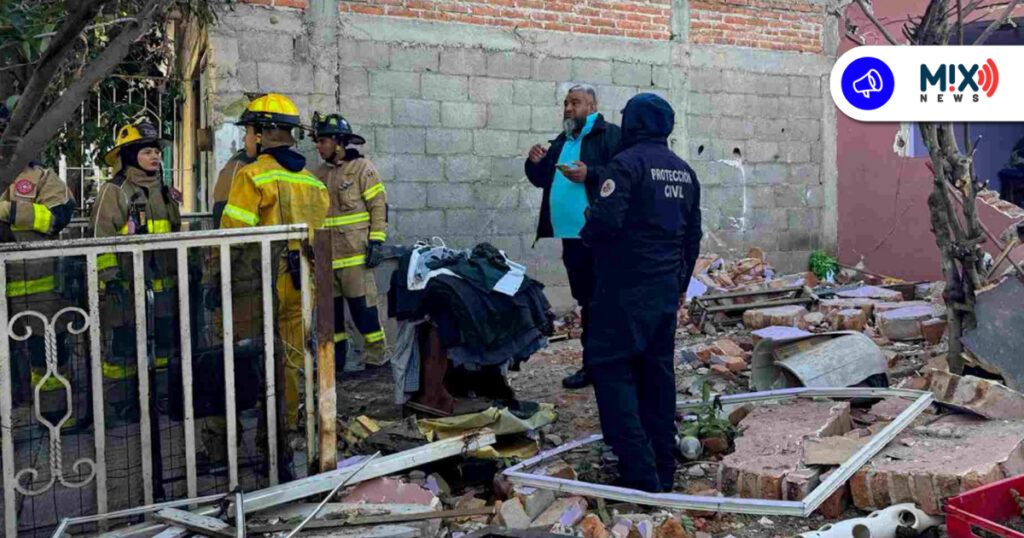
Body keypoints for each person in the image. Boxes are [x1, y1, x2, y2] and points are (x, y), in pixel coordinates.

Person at [580, 93, 702, 493]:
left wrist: (588, 227)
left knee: (610, 368)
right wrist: (679, 288)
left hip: (623, 290)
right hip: (665, 290)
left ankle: (638, 472)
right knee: (656, 373)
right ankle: (663, 469)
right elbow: (692, 238)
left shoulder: (625, 165)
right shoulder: (684, 172)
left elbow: (606, 223)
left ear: (632, 124)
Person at [219, 93, 329, 464]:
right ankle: (283, 437)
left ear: (264, 133)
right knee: (292, 360)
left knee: (244, 358)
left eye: (249, 131)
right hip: (304, 284)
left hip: (259, 283)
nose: (246, 139)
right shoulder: (314, 183)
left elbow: (233, 238)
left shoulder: (251, 175)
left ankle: (242, 443)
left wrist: (215, 280)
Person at [524, 84, 620, 390]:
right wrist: (534, 162)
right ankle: (595, 366)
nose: (568, 108)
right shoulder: (564, 140)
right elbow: (541, 180)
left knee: (601, 302)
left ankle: (604, 367)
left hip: (600, 235)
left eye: (575, 102)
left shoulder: (610, 136)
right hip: (571, 237)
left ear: (592, 107)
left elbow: (623, 174)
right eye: (565, 103)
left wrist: (590, 173)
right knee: (587, 302)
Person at [91, 121, 180, 421]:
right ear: (129, 155)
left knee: (165, 343)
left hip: (163, 285)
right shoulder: (114, 191)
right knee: (124, 347)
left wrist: (187, 270)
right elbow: (101, 238)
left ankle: (161, 395)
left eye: (157, 151)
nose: (155, 156)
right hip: (125, 287)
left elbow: (176, 233)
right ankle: (123, 403)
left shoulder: (164, 191)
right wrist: (110, 279)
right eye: (147, 151)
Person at [0, 101, 77, 414]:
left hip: (38, 292)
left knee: (46, 357)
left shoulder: (40, 176)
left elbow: (59, 215)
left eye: (8, 130)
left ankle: (53, 416)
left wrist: (10, 211)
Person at [312, 113, 387, 372]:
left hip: (355, 256)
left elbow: (379, 207)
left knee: (363, 312)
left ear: (338, 141)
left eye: (322, 141)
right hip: (325, 260)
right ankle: (335, 367)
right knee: (331, 320)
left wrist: (377, 242)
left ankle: (376, 361)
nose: (318, 147)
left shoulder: (361, 169)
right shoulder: (318, 174)